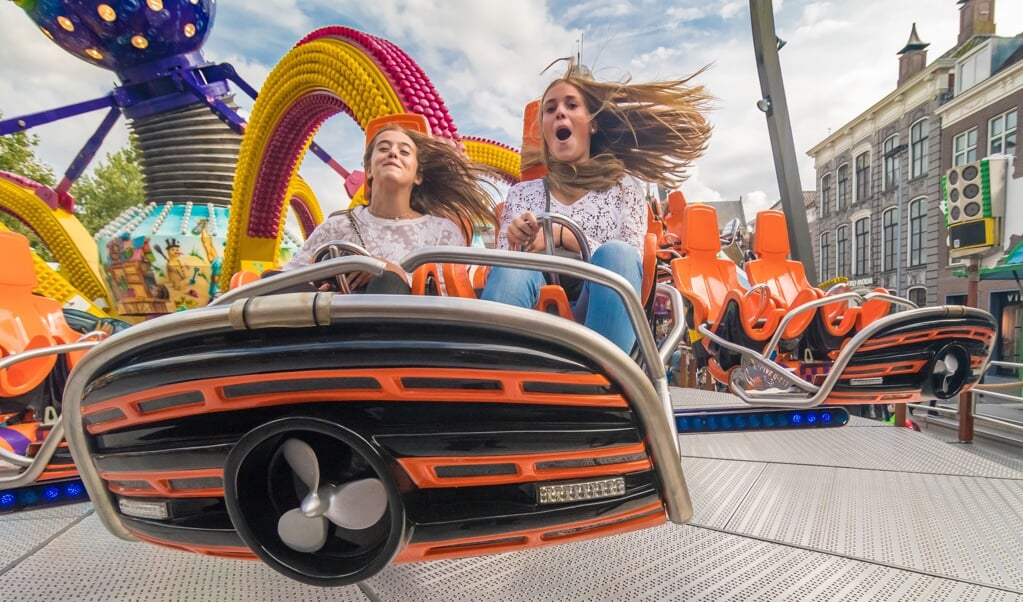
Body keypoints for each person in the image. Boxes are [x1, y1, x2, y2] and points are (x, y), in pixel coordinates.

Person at [480, 61, 713, 352]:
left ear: (592, 123)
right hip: (538, 311)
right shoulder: (522, 194)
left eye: (571, 105)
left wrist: (562, 236)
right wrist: (518, 243)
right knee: (512, 267)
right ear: (544, 130)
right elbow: (503, 269)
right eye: (550, 109)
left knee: (616, 252)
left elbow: (629, 263)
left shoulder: (623, 187)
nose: (559, 112)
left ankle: (603, 376)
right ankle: (496, 368)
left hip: (599, 312)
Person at [283, 124, 497, 293]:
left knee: (385, 280)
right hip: (336, 327)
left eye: (404, 152)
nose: (393, 153)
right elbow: (289, 277)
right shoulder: (337, 226)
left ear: (418, 176)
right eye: (384, 148)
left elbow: (449, 291)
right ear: (368, 170)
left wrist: (386, 269)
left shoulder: (441, 230)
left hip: (404, 333)